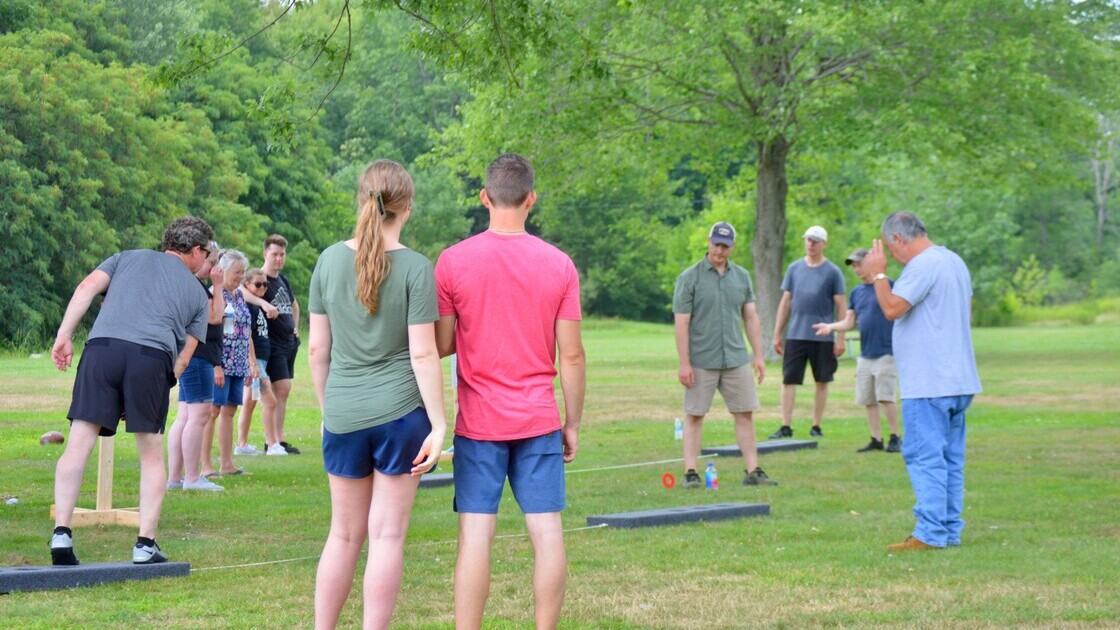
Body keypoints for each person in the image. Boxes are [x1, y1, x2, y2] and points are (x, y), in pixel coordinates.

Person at [434, 153, 585, 629]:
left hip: (479, 423)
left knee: (476, 535)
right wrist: (573, 422)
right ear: (531, 199)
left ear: (484, 196)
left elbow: (441, 344)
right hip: (539, 418)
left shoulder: (453, 261)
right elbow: (573, 356)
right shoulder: (559, 265)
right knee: (547, 532)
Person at [308, 160, 446, 630]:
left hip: (344, 413)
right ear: (406, 206)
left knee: (343, 536)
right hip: (402, 416)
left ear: (362, 199)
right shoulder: (415, 267)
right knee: (386, 538)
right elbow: (424, 356)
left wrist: (330, 412)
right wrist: (441, 423)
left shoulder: (327, 260)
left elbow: (316, 351)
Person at [49, 217, 213, 565]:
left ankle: (61, 535)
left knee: (79, 443)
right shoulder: (199, 295)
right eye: (208, 254)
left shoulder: (125, 257)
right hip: (151, 358)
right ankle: (145, 544)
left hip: (101, 350)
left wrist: (64, 335)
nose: (208, 261)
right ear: (196, 251)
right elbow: (182, 359)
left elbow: (85, 289)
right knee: (150, 454)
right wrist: (149, 387)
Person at [862, 211, 981, 551]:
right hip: (959, 379)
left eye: (889, 247)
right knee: (950, 459)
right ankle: (948, 529)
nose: (890, 254)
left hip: (930, 382)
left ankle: (929, 533)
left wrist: (879, 275)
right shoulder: (953, 261)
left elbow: (892, 308)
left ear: (899, 239)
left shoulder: (923, 265)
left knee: (924, 457)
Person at [673, 221, 777, 488]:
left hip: (735, 358)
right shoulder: (689, 278)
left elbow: (751, 317)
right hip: (701, 359)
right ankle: (691, 473)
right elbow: (681, 322)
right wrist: (684, 363)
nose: (720, 250)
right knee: (695, 414)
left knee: (745, 413)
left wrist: (758, 356)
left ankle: (753, 471)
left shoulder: (741, 276)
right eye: (716, 244)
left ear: (732, 247)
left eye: (725, 246)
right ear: (709, 241)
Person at [813, 248, 902, 453]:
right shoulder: (857, 292)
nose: (856, 269)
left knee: (885, 396)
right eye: (853, 266)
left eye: (859, 264)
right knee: (868, 399)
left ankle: (896, 437)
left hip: (886, 352)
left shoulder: (889, 286)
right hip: (866, 355)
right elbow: (849, 321)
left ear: (871, 262)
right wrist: (830, 327)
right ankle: (876, 439)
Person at [770, 225, 847, 439]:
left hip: (822, 335)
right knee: (788, 380)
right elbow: (785, 303)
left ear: (823, 244)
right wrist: (777, 334)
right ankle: (785, 426)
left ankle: (816, 425)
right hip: (796, 334)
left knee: (822, 380)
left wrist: (840, 337)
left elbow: (841, 305)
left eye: (815, 241)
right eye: (808, 240)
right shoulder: (794, 269)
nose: (811, 244)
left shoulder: (832, 271)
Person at [166, 243, 227, 491]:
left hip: (191, 357)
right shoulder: (196, 287)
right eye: (211, 262)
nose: (215, 269)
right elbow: (215, 316)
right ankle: (191, 478)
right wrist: (219, 286)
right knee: (198, 417)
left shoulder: (190, 285)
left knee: (184, 417)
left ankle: (175, 477)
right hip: (197, 356)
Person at [201, 250, 257, 476]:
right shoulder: (214, 294)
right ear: (223, 271)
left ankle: (227, 463)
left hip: (238, 362)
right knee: (212, 411)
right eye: (237, 272)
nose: (241, 276)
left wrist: (251, 362)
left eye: (243, 272)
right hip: (220, 362)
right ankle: (205, 466)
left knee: (230, 410)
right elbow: (209, 332)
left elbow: (247, 331)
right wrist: (216, 365)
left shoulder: (240, 296)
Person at [244, 234, 301, 455]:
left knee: (283, 392)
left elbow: (294, 305)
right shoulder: (259, 279)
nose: (278, 259)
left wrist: (295, 326)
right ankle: (272, 441)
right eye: (274, 254)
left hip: (289, 342)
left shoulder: (282, 280)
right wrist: (262, 302)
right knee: (279, 390)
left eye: (282, 254)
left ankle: (279, 438)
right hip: (271, 344)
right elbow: (241, 293)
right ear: (265, 254)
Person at [237, 268, 279, 455]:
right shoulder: (247, 307)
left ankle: (241, 444)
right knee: (270, 402)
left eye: (265, 284)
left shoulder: (257, 307)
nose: (263, 287)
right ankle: (272, 445)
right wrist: (252, 363)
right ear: (246, 285)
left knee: (250, 402)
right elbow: (247, 336)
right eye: (258, 284)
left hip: (261, 360)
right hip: (255, 363)